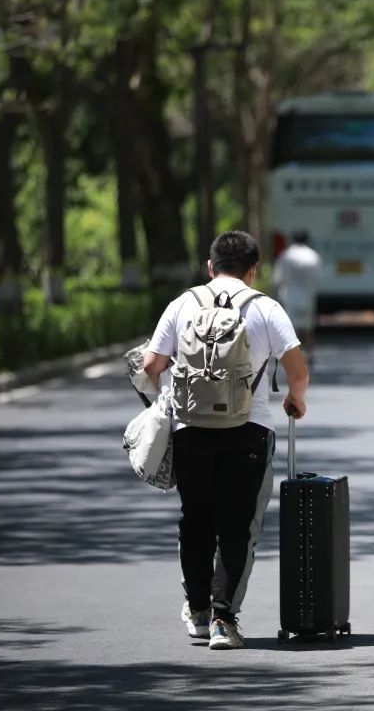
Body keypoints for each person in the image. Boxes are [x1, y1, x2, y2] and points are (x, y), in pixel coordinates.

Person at [142, 230, 309, 651]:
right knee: (239, 526)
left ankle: (197, 610)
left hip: (191, 429)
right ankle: (222, 620)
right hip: (249, 430)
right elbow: (297, 369)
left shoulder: (184, 303)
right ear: (254, 271)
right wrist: (295, 399)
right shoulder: (266, 307)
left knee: (196, 520)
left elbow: (151, 364)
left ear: (210, 266)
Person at [273, 229, 322, 363]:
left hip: (290, 296)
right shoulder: (313, 256)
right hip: (307, 297)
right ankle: (309, 354)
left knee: (291, 328)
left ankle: (294, 356)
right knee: (308, 327)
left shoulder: (286, 256)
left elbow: (277, 277)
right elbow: (318, 278)